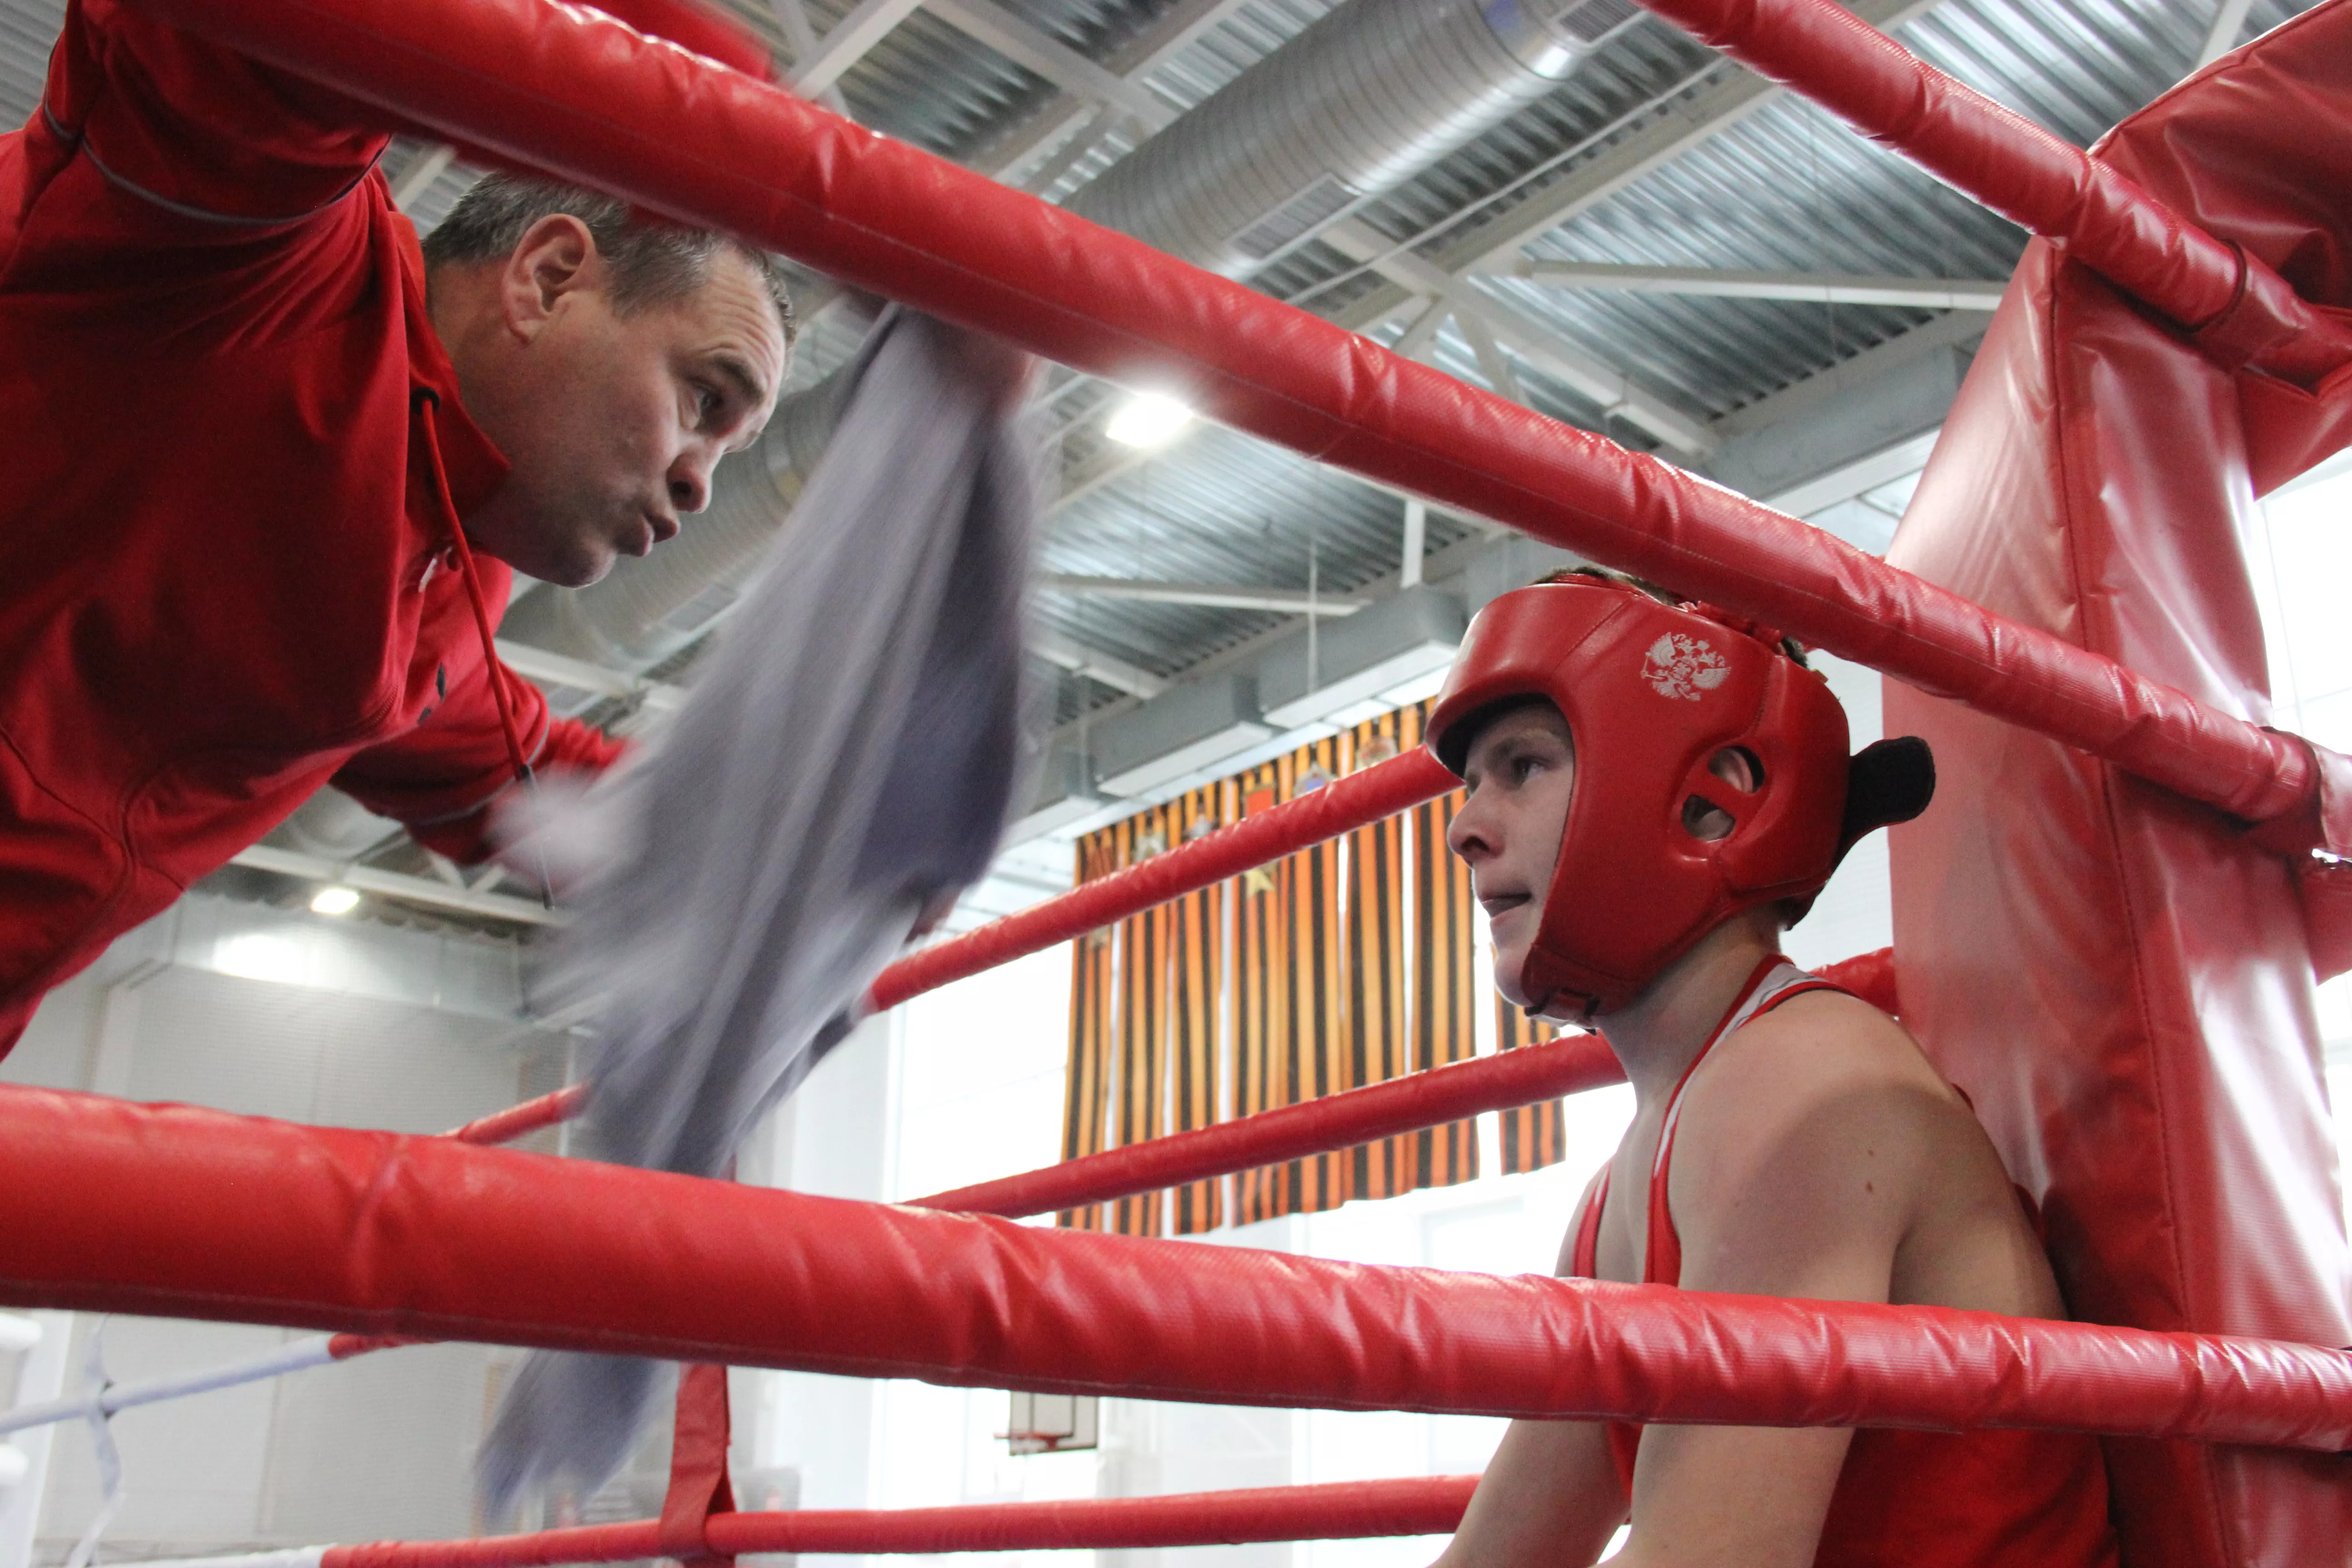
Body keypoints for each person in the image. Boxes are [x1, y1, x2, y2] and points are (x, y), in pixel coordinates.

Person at [0, 0, 792, 1050]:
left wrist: (817, 855)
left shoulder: (447, 599)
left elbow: (551, 789)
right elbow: (215, 38)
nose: (702, 486)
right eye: (705, 401)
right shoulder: (258, 261)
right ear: (548, 279)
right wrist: (696, 100)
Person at [1423, 571, 2118, 1568]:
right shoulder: (1624, 1183)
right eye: (1470, 785)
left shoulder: (1801, 1083)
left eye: (1523, 766)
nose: (1465, 829)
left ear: (1712, 800)